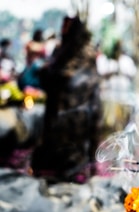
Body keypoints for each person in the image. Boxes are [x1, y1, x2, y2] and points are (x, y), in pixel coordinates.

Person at [31, 15, 103, 183]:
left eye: (66, 27)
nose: (62, 31)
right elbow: (52, 77)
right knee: (56, 160)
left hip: (76, 115)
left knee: (71, 160)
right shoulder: (61, 50)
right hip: (58, 112)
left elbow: (86, 83)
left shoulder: (85, 54)